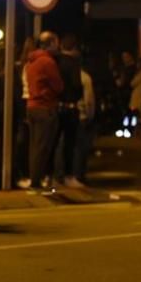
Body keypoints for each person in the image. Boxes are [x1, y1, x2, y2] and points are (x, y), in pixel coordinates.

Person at [24, 32, 64, 193]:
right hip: (45, 107)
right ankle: (36, 181)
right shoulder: (47, 62)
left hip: (32, 106)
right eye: (55, 43)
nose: (58, 47)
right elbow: (58, 85)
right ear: (50, 44)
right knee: (42, 147)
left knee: (35, 146)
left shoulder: (31, 61)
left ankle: (34, 178)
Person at [54, 34, 85, 188]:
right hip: (70, 106)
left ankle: (51, 175)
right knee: (70, 143)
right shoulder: (73, 63)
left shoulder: (55, 61)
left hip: (55, 105)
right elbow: (77, 85)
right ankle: (67, 175)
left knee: (53, 142)